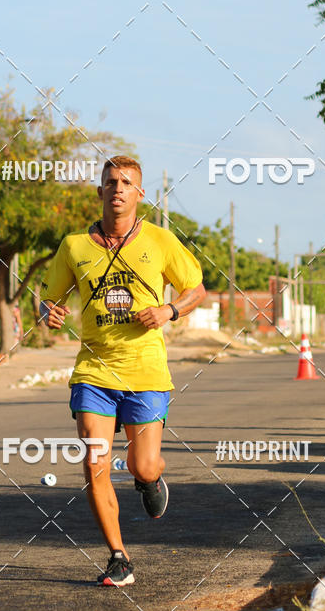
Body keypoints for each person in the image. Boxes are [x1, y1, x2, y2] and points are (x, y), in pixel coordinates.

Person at [40, 156, 206, 586]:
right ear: (99, 192)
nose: (117, 188)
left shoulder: (160, 240)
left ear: (139, 194)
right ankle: (118, 557)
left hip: (147, 374)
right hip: (93, 373)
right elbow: (48, 299)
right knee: (95, 463)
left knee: (144, 464)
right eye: (110, 182)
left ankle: (149, 480)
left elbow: (196, 288)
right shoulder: (74, 246)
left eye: (126, 182)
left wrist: (169, 309)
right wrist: (49, 313)